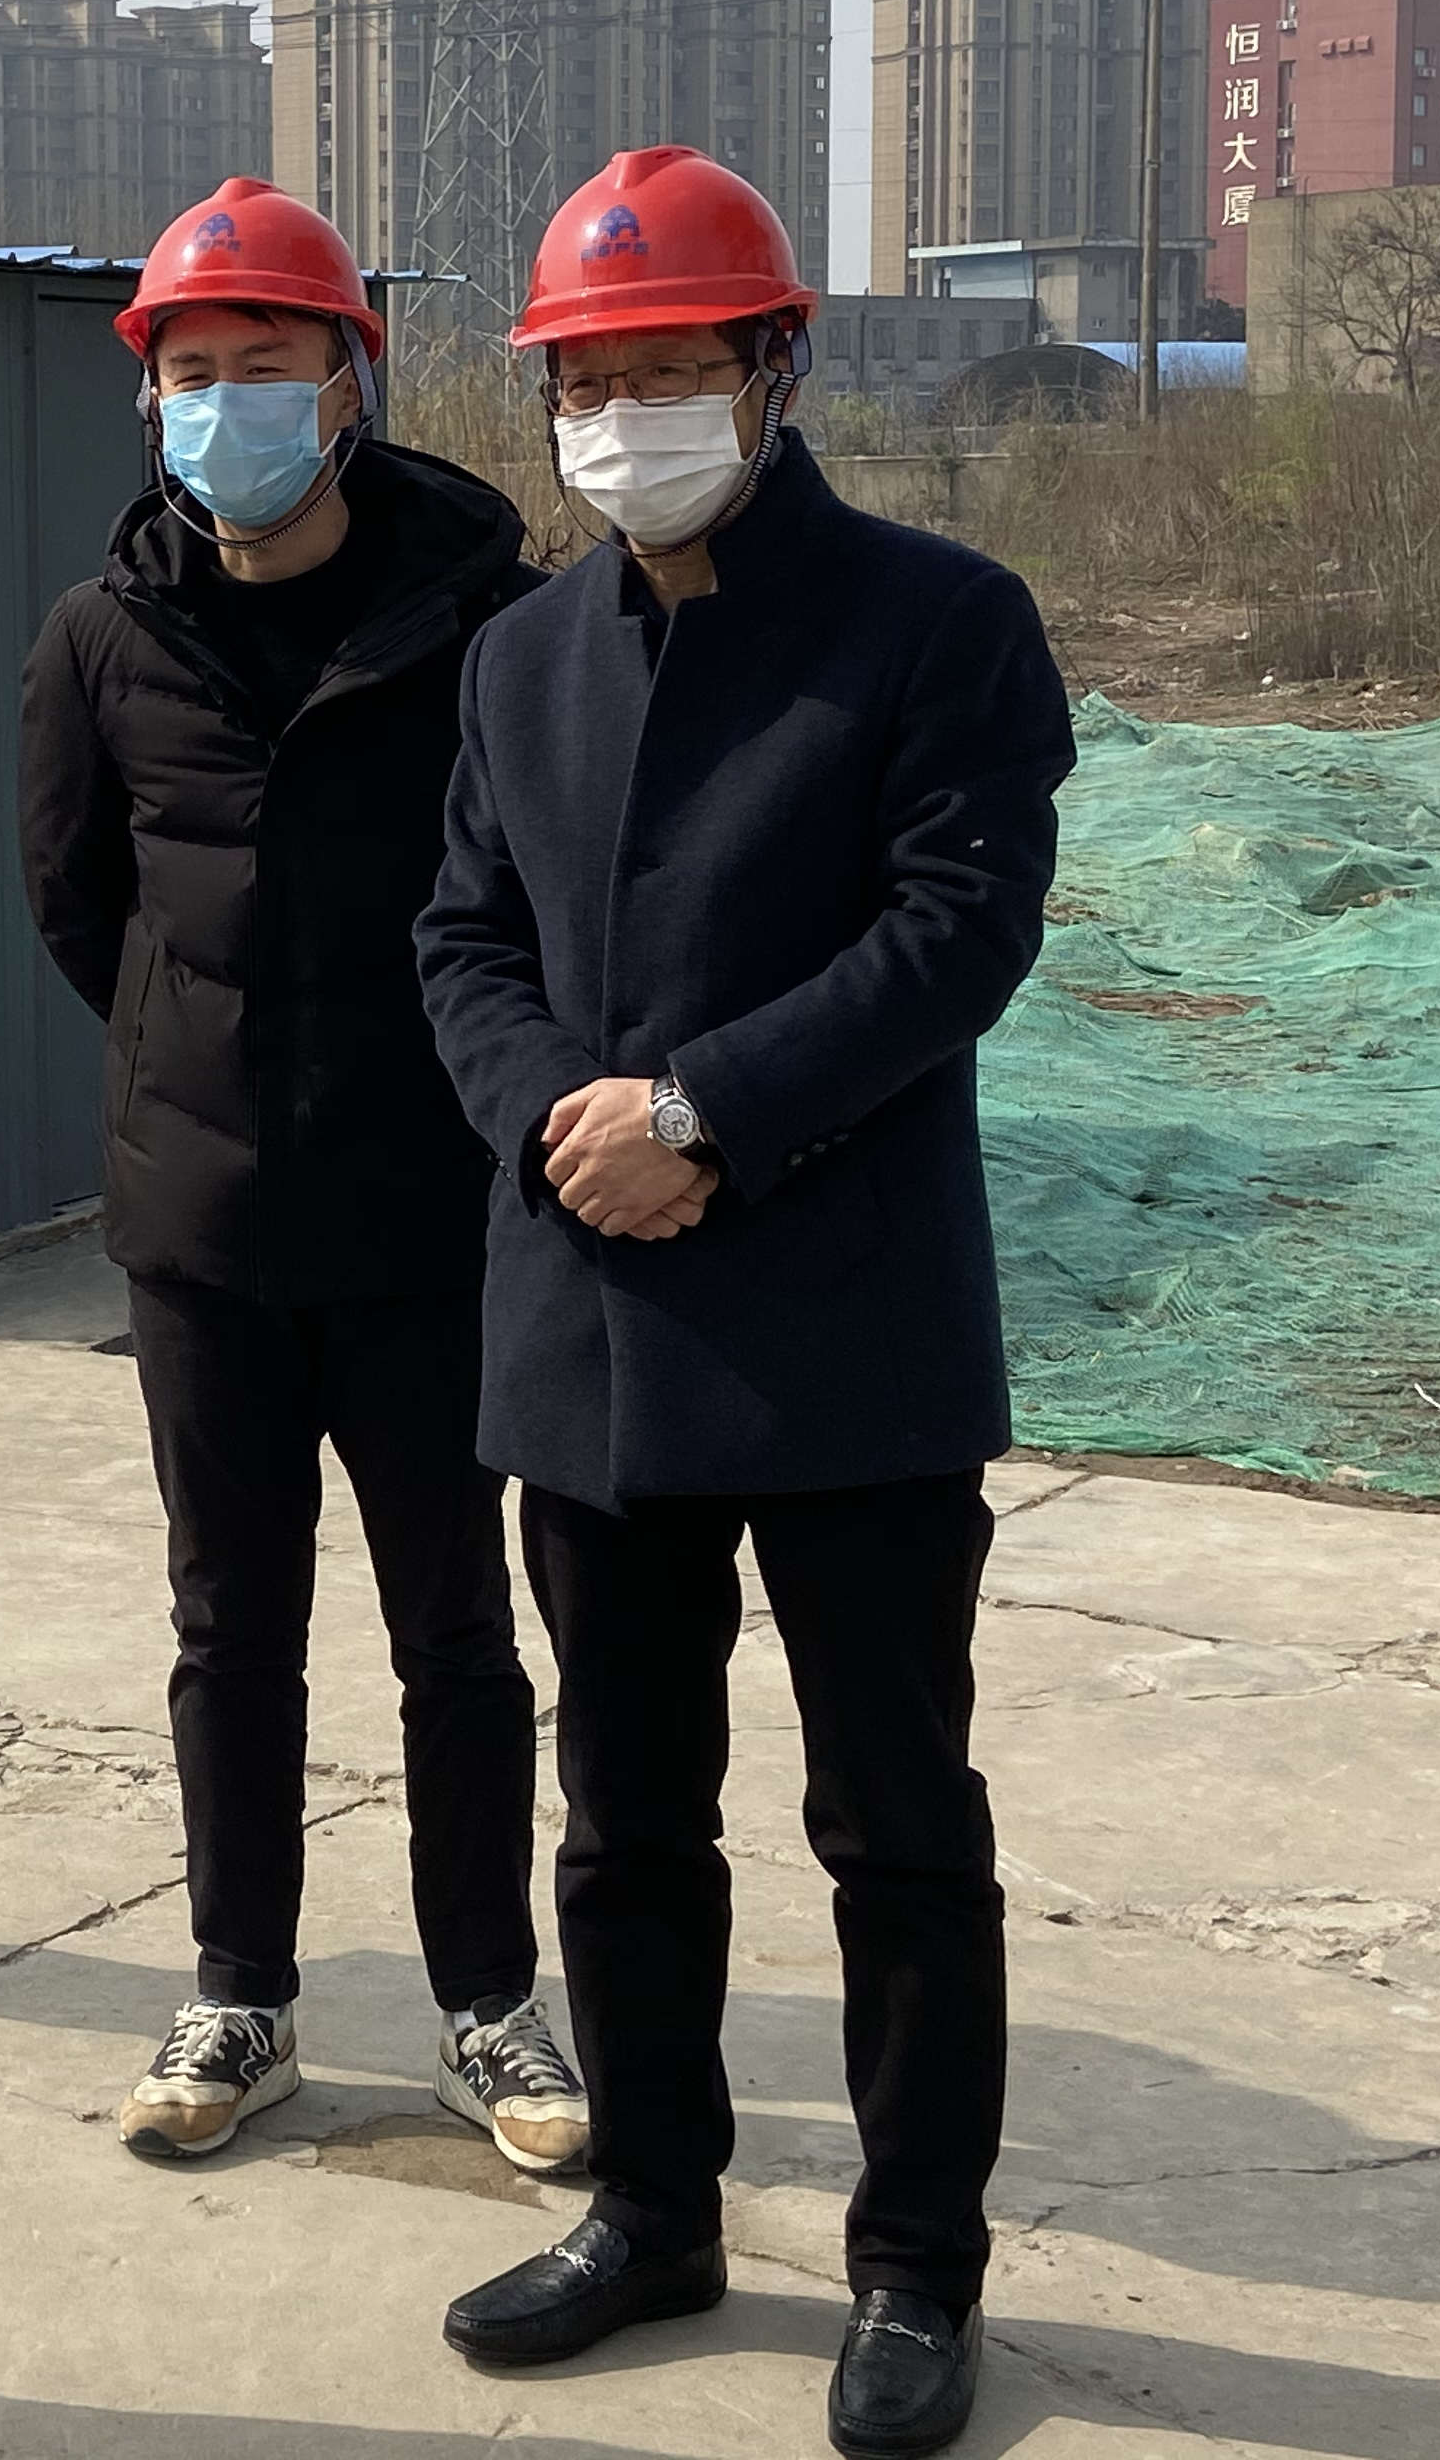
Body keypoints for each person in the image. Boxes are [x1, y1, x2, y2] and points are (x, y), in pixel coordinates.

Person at [413, 147, 1074, 2458]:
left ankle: (916, 2270)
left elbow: (956, 931)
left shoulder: (937, 622)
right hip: (591, 1332)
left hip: (850, 1337)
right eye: (588, 379)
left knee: (896, 1825)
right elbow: (462, 939)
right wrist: (558, 1125)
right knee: (624, 1819)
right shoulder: (522, 659)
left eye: (671, 367)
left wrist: (703, 1112)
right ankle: (656, 2209)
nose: (625, 417)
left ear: (777, 367)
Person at [19, 179, 582, 2176]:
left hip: (429, 1230)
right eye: (190, 370)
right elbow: (79, 907)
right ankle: (238, 1993)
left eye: (264, 365)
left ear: (350, 384)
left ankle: (488, 2001)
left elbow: (536, 911)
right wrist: (205, 1067)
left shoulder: (490, 623)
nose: (225, 402)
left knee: (456, 1634)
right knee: (229, 1628)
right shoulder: (104, 636)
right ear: (149, 397)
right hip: (204, 1239)